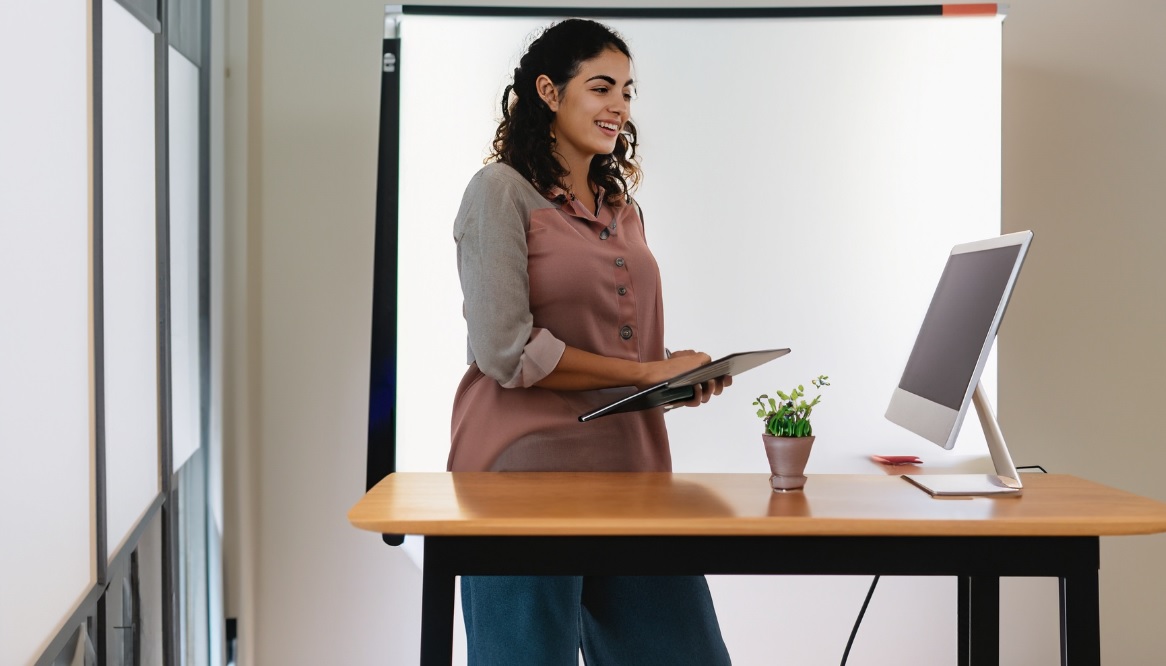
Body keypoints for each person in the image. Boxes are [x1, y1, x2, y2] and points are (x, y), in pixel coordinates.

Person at [449, 18, 733, 666]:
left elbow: (625, 349)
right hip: (522, 481)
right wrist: (645, 375)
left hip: (631, 473)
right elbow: (506, 351)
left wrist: (670, 382)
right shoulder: (500, 193)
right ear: (549, 91)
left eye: (627, 92)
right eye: (602, 86)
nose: (619, 107)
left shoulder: (620, 210)